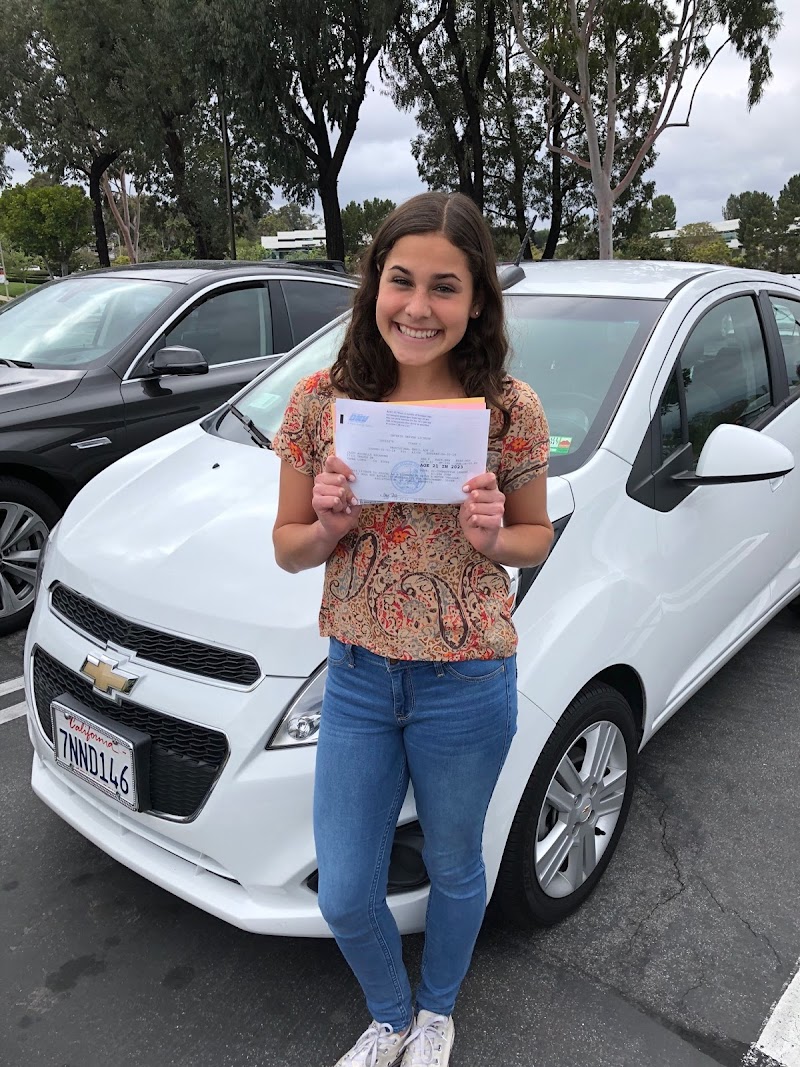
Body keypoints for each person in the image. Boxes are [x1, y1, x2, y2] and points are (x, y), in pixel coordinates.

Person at [272, 191, 553, 1067]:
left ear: (476, 301)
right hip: (358, 677)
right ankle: (390, 1014)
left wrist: (493, 538)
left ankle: (436, 1014)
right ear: (375, 285)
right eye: (402, 281)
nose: (418, 307)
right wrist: (327, 527)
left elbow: (535, 536)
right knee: (345, 888)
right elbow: (287, 548)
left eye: (445, 287)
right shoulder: (321, 402)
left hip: (466, 681)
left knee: (455, 864)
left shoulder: (508, 409)